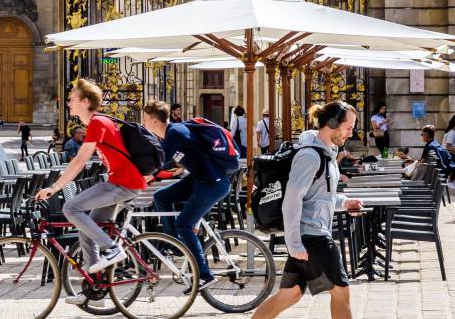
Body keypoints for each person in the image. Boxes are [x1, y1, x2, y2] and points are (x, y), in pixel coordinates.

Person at [37, 79, 146, 309]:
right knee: (87, 227)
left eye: (72, 99)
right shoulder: (99, 123)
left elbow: (79, 161)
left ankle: (113, 248)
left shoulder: (98, 123)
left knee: (71, 208)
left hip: (122, 183)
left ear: (85, 101)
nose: (68, 103)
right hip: (120, 182)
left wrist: (54, 188)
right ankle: (94, 293)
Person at [251, 102, 364, 319]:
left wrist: (345, 203)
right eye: (349, 127)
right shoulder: (310, 157)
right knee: (341, 292)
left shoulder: (328, 154)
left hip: (310, 235)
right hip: (312, 237)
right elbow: (292, 200)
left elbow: (320, 196)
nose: (352, 132)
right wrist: (293, 244)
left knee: (289, 295)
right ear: (332, 123)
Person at [142, 101, 233, 290]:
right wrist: (154, 177)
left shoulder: (174, 133)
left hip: (211, 184)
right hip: (200, 180)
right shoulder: (173, 133)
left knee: (184, 224)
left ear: (153, 120)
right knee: (161, 197)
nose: (143, 123)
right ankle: (173, 243)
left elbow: (165, 163)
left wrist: (146, 176)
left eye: (144, 119)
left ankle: (204, 275)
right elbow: (176, 164)